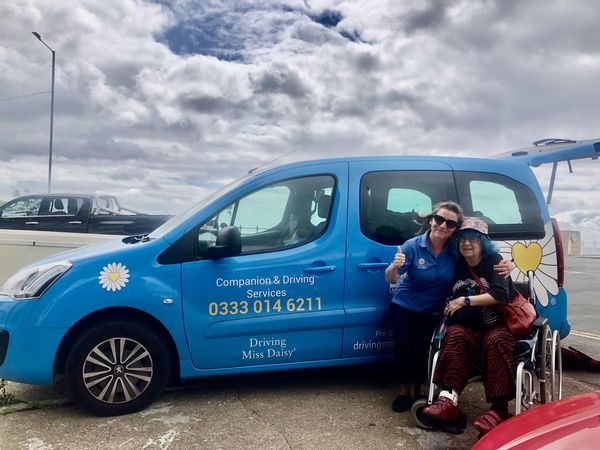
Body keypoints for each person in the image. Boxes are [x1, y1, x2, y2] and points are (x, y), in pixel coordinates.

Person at [420, 217, 518, 436]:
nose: (466, 243)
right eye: (462, 239)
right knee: (454, 334)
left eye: (472, 239)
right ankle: (448, 402)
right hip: (469, 326)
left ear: (482, 242)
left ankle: (499, 411)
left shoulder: (495, 260)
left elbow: (500, 295)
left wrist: (464, 300)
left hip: (496, 324)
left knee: (496, 340)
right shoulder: (457, 264)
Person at [385, 201, 464, 412]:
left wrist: (505, 264)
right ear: (431, 220)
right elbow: (391, 279)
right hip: (404, 306)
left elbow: (479, 259)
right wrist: (395, 266)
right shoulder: (413, 245)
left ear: (455, 229)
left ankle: (419, 390)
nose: (443, 226)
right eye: (439, 219)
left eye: (450, 223)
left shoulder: (455, 250)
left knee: (420, 350)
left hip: (431, 310)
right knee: (403, 348)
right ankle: (403, 391)